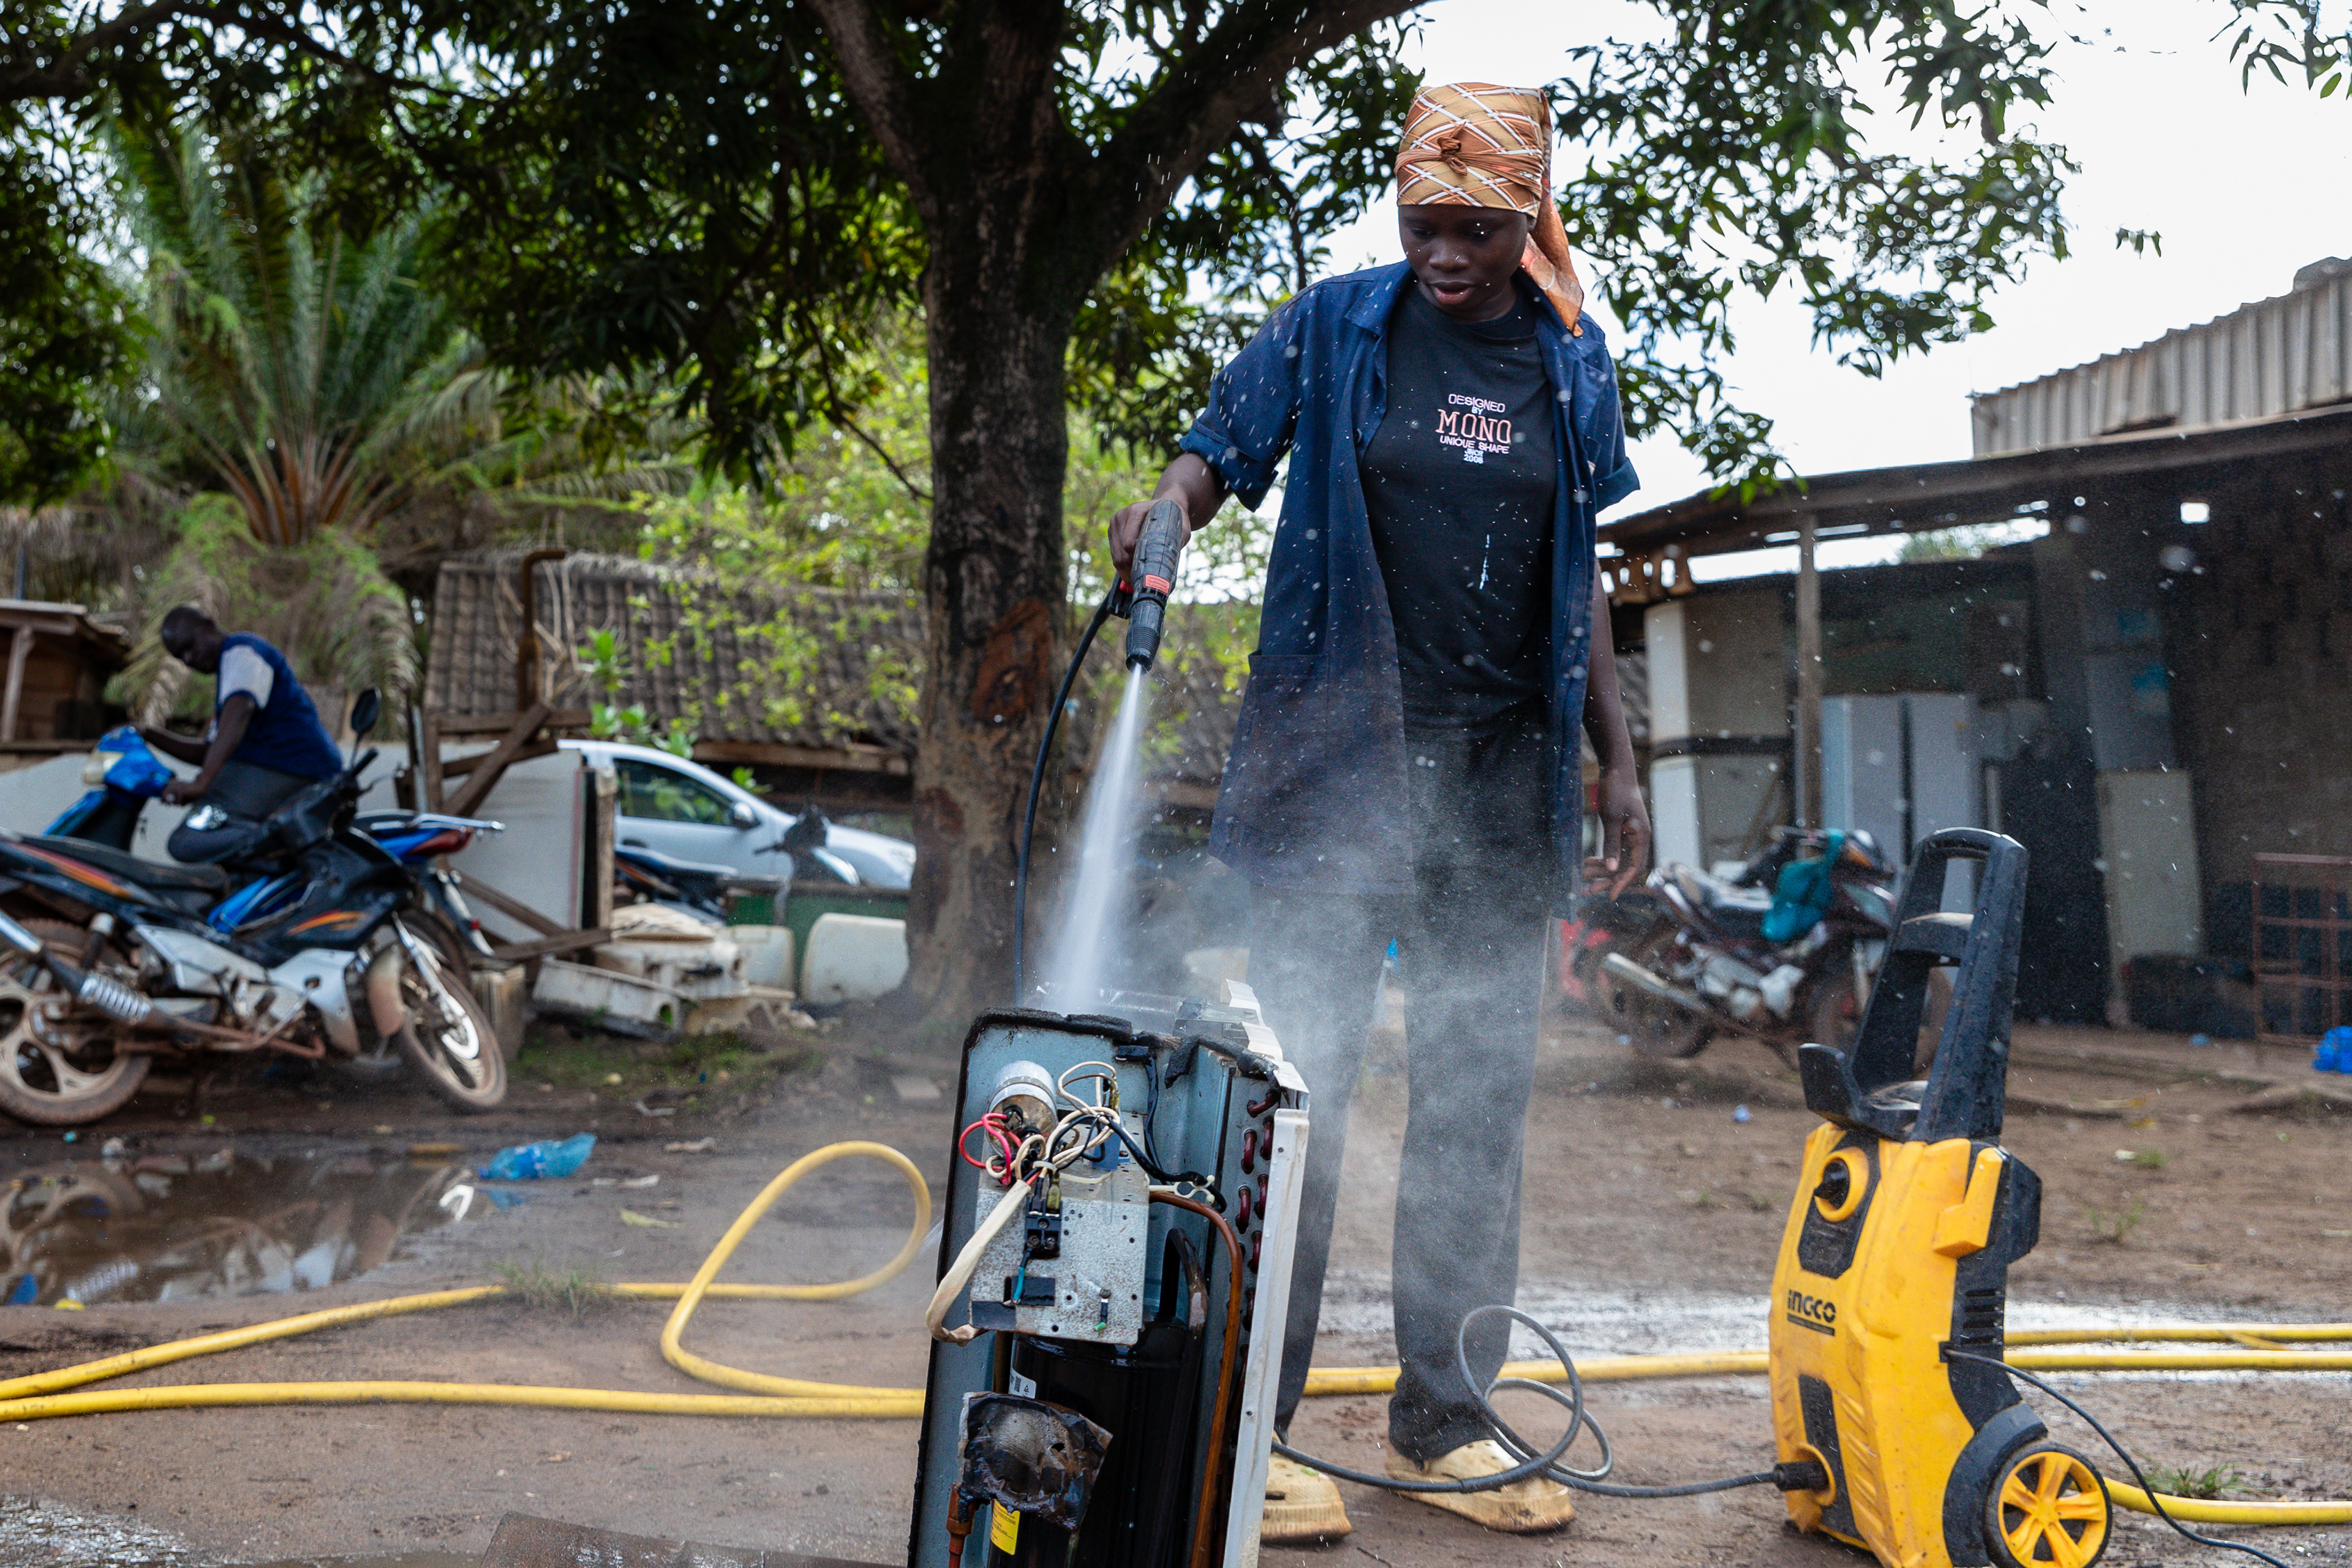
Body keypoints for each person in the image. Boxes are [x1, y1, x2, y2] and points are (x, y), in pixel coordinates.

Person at [1106, 83, 1651, 1540]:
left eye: (1476, 228)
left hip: (1492, 783)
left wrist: (1622, 752)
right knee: (1302, 1108)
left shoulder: (1568, 361)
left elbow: (1576, 565)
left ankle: (1444, 1419)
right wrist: (1166, 509)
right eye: (1424, 223)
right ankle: (1246, 1431)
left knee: (1473, 1104)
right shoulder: (1335, 326)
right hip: (1337, 775)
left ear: (1525, 219)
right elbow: (1214, 452)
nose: (1446, 253)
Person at [139, 607, 346, 862]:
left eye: (190, 646)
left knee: (188, 840)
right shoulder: (230, 677)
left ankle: (294, 837)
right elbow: (210, 751)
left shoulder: (242, 651)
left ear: (208, 625)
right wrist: (148, 734)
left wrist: (201, 783)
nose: (189, 659)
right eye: (181, 657)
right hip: (285, 768)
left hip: (301, 768)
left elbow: (239, 713)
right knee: (202, 831)